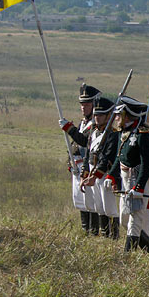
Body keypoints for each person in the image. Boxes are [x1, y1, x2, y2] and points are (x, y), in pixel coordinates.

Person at [110, 96, 149, 252]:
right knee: (124, 218)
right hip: (125, 181)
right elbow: (120, 158)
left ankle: (127, 254)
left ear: (127, 115)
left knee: (135, 219)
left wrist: (139, 186)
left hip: (138, 180)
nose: (116, 118)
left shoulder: (142, 135)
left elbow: (148, 163)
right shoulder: (124, 133)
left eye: (119, 115)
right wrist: (111, 176)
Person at [60, 83, 101, 235]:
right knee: (80, 201)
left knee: (90, 202)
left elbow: (84, 141)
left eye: (87, 104)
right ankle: (86, 230)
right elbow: (74, 145)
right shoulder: (83, 123)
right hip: (77, 168)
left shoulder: (95, 124)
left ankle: (94, 231)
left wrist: (69, 128)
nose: (84, 107)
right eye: (82, 104)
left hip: (88, 168)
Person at [78, 96, 121, 240]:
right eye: (96, 114)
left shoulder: (113, 135)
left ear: (109, 116)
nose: (97, 117)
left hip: (104, 174)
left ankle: (112, 238)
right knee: (98, 207)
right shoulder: (93, 132)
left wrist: (94, 176)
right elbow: (88, 155)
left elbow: (107, 158)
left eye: (101, 115)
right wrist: (84, 174)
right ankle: (103, 236)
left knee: (109, 208)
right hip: (93, 173)